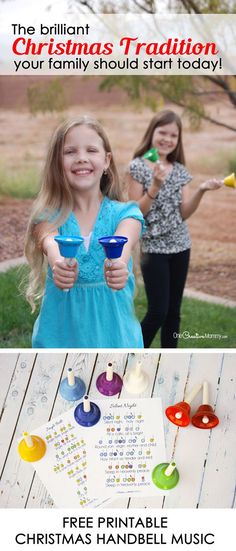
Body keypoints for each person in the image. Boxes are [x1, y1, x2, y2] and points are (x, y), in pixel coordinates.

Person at [25, 116, 144, 348]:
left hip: (116, 345)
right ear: (58, 163)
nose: (81, 158)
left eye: (91, 150)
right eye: (70, 151)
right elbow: (49, 241)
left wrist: (119, 264)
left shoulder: (126, 213)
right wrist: (58, 262)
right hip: (59, 348)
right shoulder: (48, 216)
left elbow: (125, 242)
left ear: (106, 160)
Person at [126, 109, 223, 348]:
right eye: (163, 132)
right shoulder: (138, 167)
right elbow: (135, 211)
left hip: (181, 246)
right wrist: (155, 186)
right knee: (158, 312)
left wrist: (201, 190)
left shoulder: (179, 170)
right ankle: (131, 354)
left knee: (173, 314)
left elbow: (183, 213)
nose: (167, 139)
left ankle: (170, 362)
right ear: (152, 132)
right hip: (153, 248)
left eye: (174, 135)